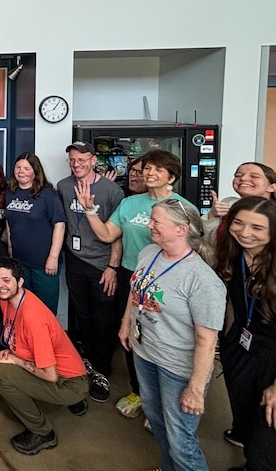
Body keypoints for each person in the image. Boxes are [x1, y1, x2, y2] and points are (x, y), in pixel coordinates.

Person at [77, 149, 198, 419]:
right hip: (131, 276)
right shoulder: (131, 203)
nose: (150, 173)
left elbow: (193, 249)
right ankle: (139, 391)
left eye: (158, 169)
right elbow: (107, 235)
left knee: (163, 339)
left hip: (167, 281)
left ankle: (166, 403)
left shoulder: (182, 208)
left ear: (172, 177)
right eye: (147, 168)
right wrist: (89, 210)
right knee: (133, 335)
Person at [118, 199, 225, 471]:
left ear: (181, 229)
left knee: (181, 442)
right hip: (145, 354)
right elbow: (136, 291)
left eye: (156, 221)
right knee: (158, 422)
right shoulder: (149, 252)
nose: (149, 225)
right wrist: (126, 323)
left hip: (177, 369)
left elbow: (207, 341)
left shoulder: (202, 280)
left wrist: (195, 390)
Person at [0, 257, 88, 456]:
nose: (0, 285)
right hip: (57, 369)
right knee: (8, 403)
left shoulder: (32, 318)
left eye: (6, 280)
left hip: (68, 381)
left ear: (20, 282)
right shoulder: (7, 300)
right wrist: (12, 351)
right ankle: (63, 402)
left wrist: (16, 360)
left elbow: (50, 375)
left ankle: (43, 433)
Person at [57, 141, 124, 403]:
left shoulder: (112, 190)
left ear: (94, 160)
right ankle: (87, 363)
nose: (77, 165)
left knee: (103, 319)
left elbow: (118, 233)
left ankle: (102, 371)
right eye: (72, 160)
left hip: (101, 264)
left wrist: (113, 267)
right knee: (81, 315)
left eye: (82, 160)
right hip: (75, 260)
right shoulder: (64, 186)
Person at [216, 197, 276, 470]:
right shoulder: (234, 254)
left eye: (257, 227)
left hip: (271, 358)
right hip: (239, 346)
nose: (245, 232)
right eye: (238, 223)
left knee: (266, 438)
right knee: (245, 419)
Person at [4, 152, 66, 313]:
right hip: (20, 261)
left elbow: (59, 225)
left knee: (45, 311)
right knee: (24, 307)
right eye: (18, 167)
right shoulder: (11, 192)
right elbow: (9, 223)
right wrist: (10, 248)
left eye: (27, 168)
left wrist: (53, 257)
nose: (21, 171)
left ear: (36, 171)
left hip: (44, 264)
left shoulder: (48, 194)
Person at [203, 162, 276, 250]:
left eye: (254, 176)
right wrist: (212, 215)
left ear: (272, 187)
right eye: (238, 175)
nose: (243, 178)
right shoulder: (229, 202)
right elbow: (209, 243)